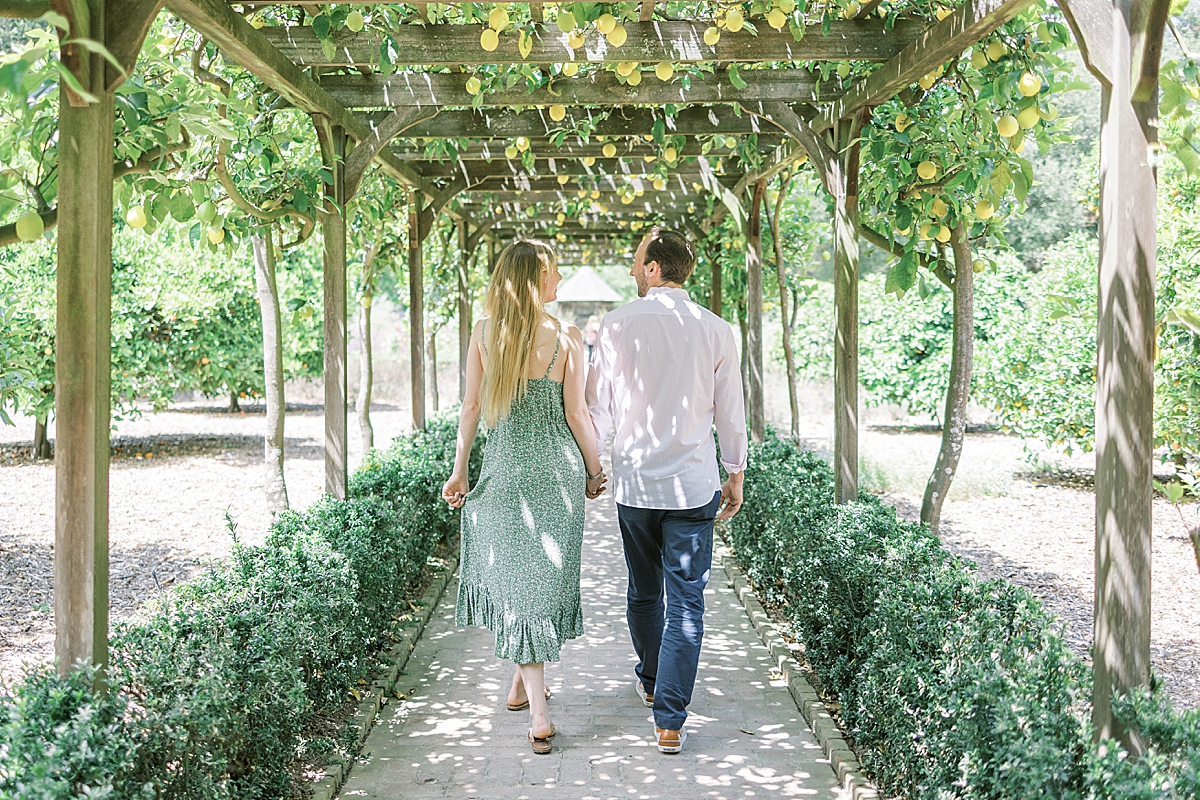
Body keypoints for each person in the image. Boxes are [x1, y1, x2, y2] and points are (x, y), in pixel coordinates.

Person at [441, 239, 607, 755]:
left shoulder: (486, 334)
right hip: (556, 476)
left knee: (518, 583)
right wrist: (596, 468)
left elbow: (470, 406)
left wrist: (459, 469)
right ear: (535, 280)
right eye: (554, 272)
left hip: (504, 472)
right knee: (534, 588)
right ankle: (539, 715)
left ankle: (519, 685)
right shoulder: (568, 337)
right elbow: (577, 414)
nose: (559, 280)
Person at [586, 226, 748, 755]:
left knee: (644, 590)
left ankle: (654, 681)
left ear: (655, 267)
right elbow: (732, 411)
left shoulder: (614, 325)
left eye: (637, 262)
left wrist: (595, 462)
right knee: (686, 603)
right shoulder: (717, 330)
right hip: (694, 484)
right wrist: (735, 470)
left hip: (635, 483)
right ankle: (670, 720)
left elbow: (599, 407)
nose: (633, 270)